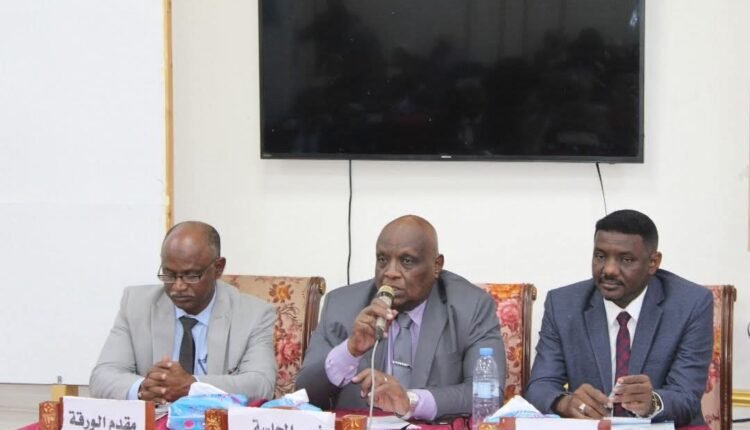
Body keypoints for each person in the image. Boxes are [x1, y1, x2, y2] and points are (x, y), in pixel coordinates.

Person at [295, 215, 505, 420]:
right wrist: (350, 351)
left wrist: (410, 401)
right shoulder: (341, 306)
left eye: (407, 261)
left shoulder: (471, 307)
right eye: (382, 260)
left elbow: (489, 394)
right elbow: (303, 396)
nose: (390, 273)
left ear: (437, 265)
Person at [525, 209, 713, 427]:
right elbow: (540, 386)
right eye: (600, 256)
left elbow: (686, 395)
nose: (609, 270)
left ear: (653, 262)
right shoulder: (563, 304)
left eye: (626, 259)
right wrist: (565, 403)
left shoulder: (690, 304)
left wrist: (652, 403)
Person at [90, 221, 276, 403]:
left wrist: (192, 387)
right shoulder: (136, 305)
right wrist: (142, 388)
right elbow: (102, 376)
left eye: (191, 275)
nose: (178, 286)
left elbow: (261, 385)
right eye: (169, 274)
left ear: (218, 268)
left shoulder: (254, 315)